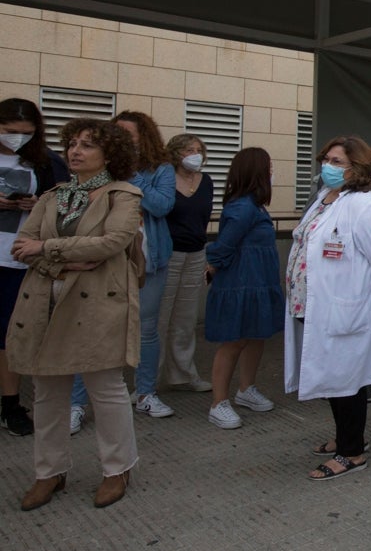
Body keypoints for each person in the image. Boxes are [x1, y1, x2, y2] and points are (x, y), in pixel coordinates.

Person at [9, 119, 142, 509]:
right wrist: (61, 260)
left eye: (87, 145)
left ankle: (117, 468)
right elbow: (21, 246)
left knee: (106, 389)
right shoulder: (53, 196)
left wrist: (46, 250)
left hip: (99, 303)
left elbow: (113, 242)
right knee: (48, 392)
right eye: (73, 144)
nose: (75, 151)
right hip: (44, 302)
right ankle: (49, 472)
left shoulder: (124, 195)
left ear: (109, 154)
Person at [285, 135, 371, 479]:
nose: (329, 167)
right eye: (327, 160)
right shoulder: (325, 198)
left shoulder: (366, 205)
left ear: (358, 168)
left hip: (345, 307)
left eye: (338, 162)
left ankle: (352, 452)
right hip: (314, 304)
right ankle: (346, 438)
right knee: (334, 380)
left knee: (347, 382)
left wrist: (363, 288)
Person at [70, 110, 175, 424]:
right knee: (89, 329)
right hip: (101, 260)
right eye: (115, 135)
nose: (121, 141)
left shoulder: (161, 169)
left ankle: (145, 394)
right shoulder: (95, 167)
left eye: (128, 135)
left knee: (146, 329)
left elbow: (161, 205)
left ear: (144, 138)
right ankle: (76, 404)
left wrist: (130, 172)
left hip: (149, 259)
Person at [203, 148, 285, 429]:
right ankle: (219, 402)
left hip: (258, 283)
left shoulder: (255, 205)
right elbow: (224, 245)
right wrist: (212, 266)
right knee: (235, 340)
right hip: (240, 283)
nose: (272, 171)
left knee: (256, 335)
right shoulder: (242, 207)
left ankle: (246, 389)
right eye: (269, 166)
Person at [0, 98, 68, 436]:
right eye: (11, 132)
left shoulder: (45, 162)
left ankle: (10, 404)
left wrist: (39, 202)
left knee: (10, 336)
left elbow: (67, 202)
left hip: (17, 258)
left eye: (26, 133)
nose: (18, 139)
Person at [158, 134, 214, 393]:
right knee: (159, 318)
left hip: (195, 253)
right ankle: (150, 378)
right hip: (168, 254)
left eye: (199, 150)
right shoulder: (165, 178)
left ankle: (184, 373)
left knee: (185, 319)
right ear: (175, 153)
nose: (195, 154)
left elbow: (203, 218)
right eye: (189, 150)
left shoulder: (206, 182)